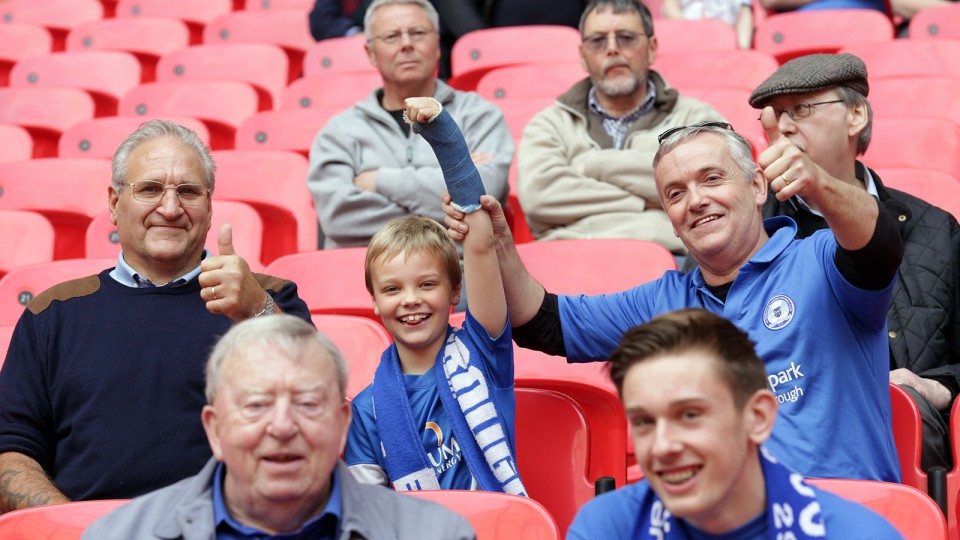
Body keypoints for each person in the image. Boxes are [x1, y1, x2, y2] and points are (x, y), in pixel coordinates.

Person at [445, 118, 904, 482]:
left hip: (846, 518)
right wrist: (500, 242)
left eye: (712, 179)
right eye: (676, 193)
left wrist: (820, 184)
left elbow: (879, 242)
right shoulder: (666, 300)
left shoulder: (822, 260)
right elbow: (541, 323)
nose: (697, 200)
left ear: (758, 186)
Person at [0, 120, 312, 513]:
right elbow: (11, 450)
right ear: (114, 203)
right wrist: (76, 529)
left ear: (209, 206)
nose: (170, 208)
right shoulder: (52, 313)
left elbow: (313, 409)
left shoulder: (266, 295)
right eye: (149, 189)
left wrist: (256, 311)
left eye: (188, 192)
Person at [82, 315, 476, 539]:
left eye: (307, 403)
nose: (283, 426)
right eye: (256, 405)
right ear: (215, 430)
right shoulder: (119, 536)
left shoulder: (437, 534)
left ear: (342, 425)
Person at [750, 52, 960, 471]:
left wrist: (940, 387)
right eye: (775, 116)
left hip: (901, 435)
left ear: (855, 115)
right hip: (779, 430)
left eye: (801, 109)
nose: (785, 126)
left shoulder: (935, 230)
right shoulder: (750, 228)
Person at [567, 309, 904, 540]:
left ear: (757, 418)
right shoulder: (605, 527)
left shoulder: (858, 534)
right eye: (644, 422)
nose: (662, 446)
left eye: (690, 415)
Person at [345, 97, 524, 495]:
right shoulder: (367, 408)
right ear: (374, 300)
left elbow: (479, 242)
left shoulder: (485, 353)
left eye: (427, 284)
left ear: (454, 291)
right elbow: (367, 510)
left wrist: (445, 137)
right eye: (392, 289)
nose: (410, 299)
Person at [516, 0, 723, 255]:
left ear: (651, 48)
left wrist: (593, 165)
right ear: (582, 55)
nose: (612, 49)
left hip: (672, 268)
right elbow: (539, 198)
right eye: (598, 41)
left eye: (626, 38)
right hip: (566, 264)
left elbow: (712, 190)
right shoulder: (549, 124)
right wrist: (648, 201)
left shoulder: (695, 117)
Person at [307, 0, 512, 250]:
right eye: (392, 36)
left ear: (437, 44)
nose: (406, 44)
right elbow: (338, 218)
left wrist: (380, 181)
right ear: (370, 53)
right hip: (361, 277)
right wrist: (452, 194)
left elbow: (483, 194)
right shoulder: (339, 131)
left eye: (418, 33)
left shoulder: (479, 114)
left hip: (462, 274)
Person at [661, 0, 753, 49]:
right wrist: (695, 36)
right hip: (687, 42)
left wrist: (743, 50)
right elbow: (670, 7)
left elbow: (744, 13)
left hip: (724, 45)